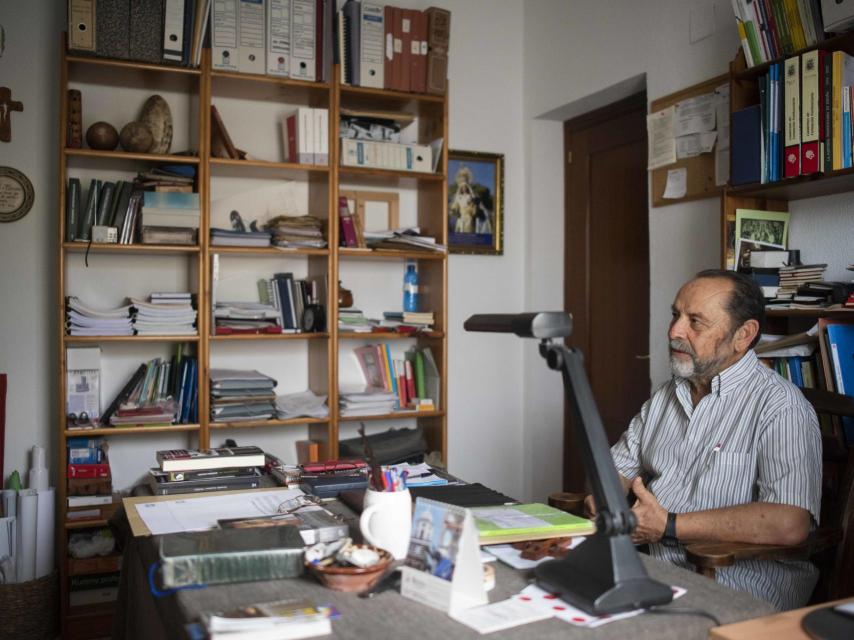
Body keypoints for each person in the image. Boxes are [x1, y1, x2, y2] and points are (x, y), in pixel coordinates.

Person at [586, 269, 821, 610]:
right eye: (675, 315)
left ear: (743, 335)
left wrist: (668, 526)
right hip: (654, 570)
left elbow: (790, 523)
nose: (674, 331)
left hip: (736, 584)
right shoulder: (667, 395)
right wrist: (603, 492)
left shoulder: (781, 407)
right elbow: (616, 467)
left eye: (695, 321)